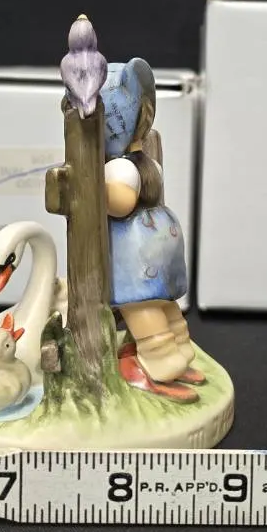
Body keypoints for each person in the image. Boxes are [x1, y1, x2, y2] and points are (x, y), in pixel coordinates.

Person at [99, 59, 200, 397]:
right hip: (155, 244)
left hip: (139, 254)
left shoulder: (120, 168)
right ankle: (176, 352)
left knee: (147, 308)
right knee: (161, 307)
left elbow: (122, 203)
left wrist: (94, 186)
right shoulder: (144, 164)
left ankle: (165, 361)